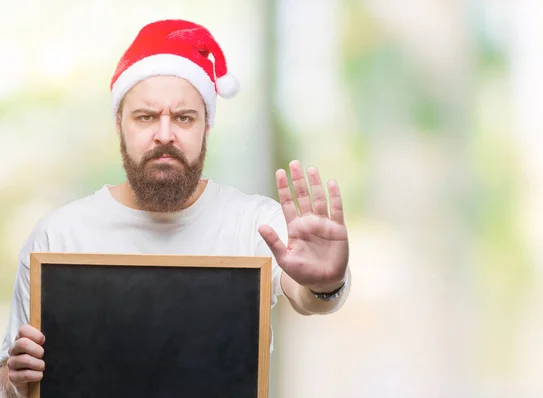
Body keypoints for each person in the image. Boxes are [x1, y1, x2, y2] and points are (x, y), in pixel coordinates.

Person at [0, 19, 351, 397]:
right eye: (146, 116)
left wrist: (326, 283)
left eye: (184, 117)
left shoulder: (255, 223)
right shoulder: (59, 234)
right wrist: (16, 380)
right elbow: (11, 378)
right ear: (120, 124)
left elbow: (306, 295)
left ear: (207, 127)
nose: (164, 134)